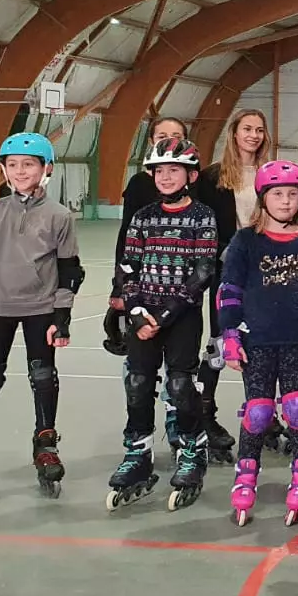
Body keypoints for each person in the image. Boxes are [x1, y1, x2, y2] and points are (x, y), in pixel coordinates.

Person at [0, 132, 83, 503]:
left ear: (46, 169)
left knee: (43, 377)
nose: (20, 171)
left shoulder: (60, 216)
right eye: (12, 165)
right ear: (4, 171)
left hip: (41, 309)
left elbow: (69, 269)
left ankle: (45, 444)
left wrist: (63, 316)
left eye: (28, 164)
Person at [219, 161, 298, 528]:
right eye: (277, 194)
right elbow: (230, 290)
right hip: (256, 339)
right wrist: (228, 334)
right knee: (257, 411)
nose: (286, 201)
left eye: (292, 194)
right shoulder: (245, 240)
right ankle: (246, 476)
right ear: (263, 199)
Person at [107, 137, 218, 513]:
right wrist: (136, 312)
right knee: (137, 382)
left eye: (174, 170)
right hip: (144, 316)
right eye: (160, 171)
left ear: (190, 174)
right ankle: (138, 453)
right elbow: (128, 267)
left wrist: (165, 314)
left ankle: (191, 448)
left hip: (181, 315)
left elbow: (203, 270)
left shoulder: (202, 216)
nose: (166, 177)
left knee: (180, 383)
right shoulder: (142, 216)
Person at [105, 116, 189, 447]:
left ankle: (174, 414)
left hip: (179, 291)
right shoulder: (141, 184)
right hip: (141, 287)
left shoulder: (191, 189)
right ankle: (138, 432)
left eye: (176, 135)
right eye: (161, 135)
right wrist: (120, 290)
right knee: (138, 367)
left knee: (179, 366)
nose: (168, 139)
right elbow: (126, 237)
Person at [195, 108, 271, 461]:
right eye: (247, 129)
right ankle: (204, 415)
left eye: (259, 130)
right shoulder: (212, 177)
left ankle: (261, 415)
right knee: (219, 342)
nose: (253, 135)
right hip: (227, 270)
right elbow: (204, 226)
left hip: (264, 271)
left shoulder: (271, 174)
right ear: (234, 133)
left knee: (257, 346)